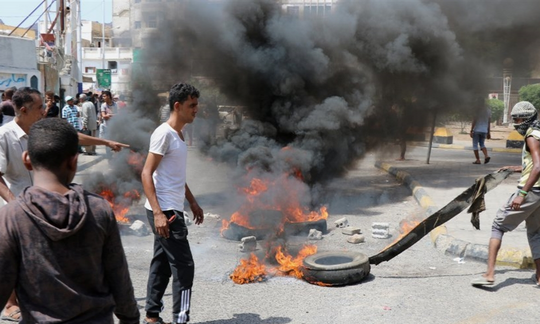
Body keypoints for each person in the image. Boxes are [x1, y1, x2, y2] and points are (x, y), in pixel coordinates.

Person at [0, 87, 130, 320]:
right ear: (23, 110)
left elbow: (72, 137)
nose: (45, 110)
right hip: (22, 205)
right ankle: (12, 304)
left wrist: (106, 141)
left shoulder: (42, 129)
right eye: (40, 107)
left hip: (48, 201)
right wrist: (14, 204)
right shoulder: (4, 136)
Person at [141, 83, 204, 324]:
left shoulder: (178, 135)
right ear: (177, 106)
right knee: (184, 267)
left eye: (196, 105)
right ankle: (180, 319)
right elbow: (147, 173)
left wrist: (193, 202)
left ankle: (151, 316)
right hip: (166, 212)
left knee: (162, 264)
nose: (196, 110)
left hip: (170, 207)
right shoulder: (163, 133)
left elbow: (176, 176)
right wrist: (158, 213)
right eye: (192, 105)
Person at [471, 101, 540, 287]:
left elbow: (539, 166)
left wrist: (522, 194)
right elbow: (533, 165)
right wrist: (515, 168)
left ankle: (489, 274)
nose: (516, 123)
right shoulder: (538, 133)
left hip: (532, 191)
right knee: (535, 233)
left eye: (517, 119)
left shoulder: (532, 136)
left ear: (525, 119)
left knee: (498, 226)